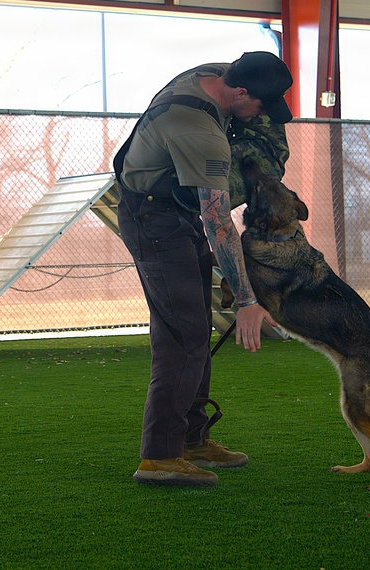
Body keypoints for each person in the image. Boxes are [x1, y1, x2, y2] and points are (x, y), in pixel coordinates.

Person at [113, 51, 294, 487]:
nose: (260, 117)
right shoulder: (199, 129)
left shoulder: (213, 74)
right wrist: (248, 299)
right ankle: (158, 457)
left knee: (194, 331)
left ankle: (191, 438)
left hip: (174, 212)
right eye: (259, 107)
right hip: (153, 219)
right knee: (182, 335)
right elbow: (217, 224)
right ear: (239, 91)